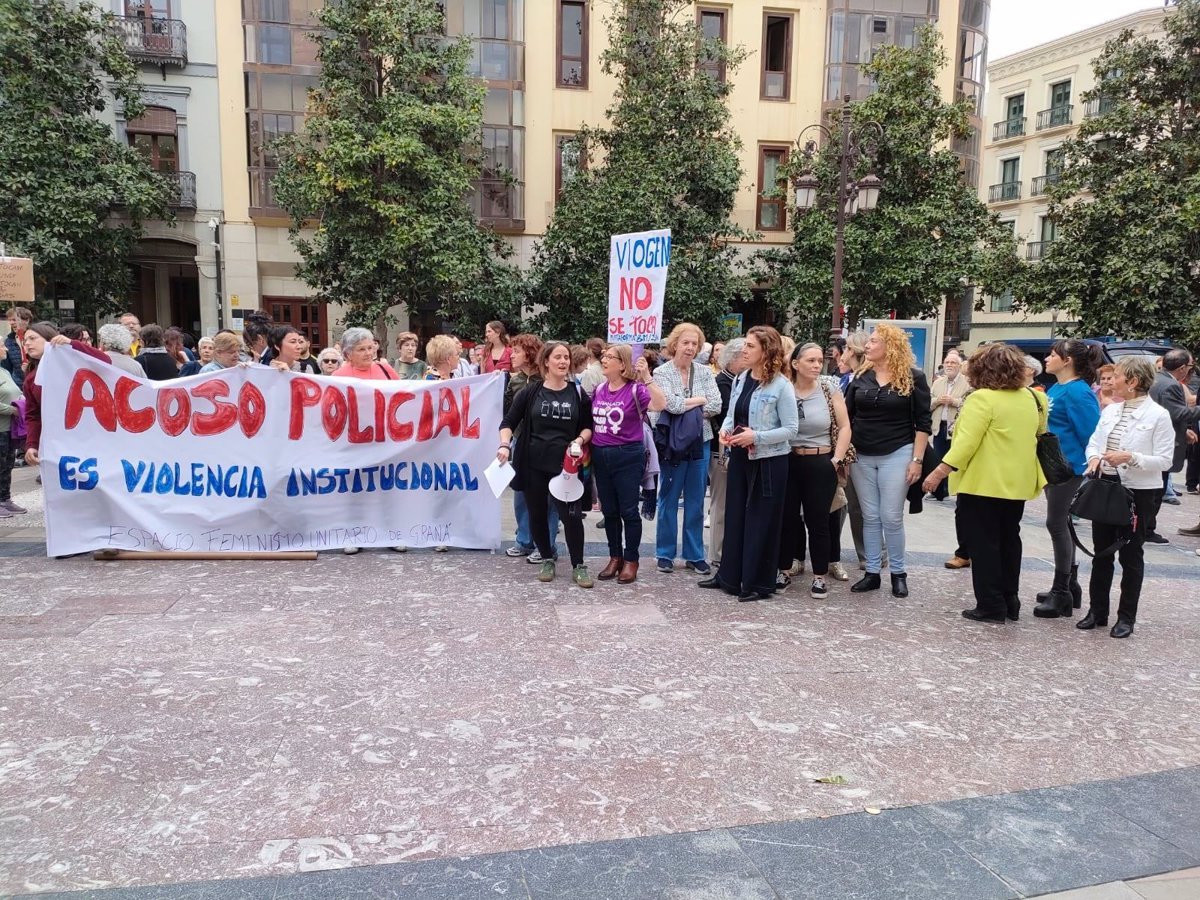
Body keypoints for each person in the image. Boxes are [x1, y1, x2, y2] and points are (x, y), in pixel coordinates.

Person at [922, 344, 1048, 624]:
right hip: (1018, 481)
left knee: (983, 545)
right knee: (1008, 541)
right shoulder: (1032, 398)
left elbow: (965, 445)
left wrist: (938, 473)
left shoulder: (982, 399)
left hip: (983, 483)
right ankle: (1009, 601)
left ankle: (990, 605)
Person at [699, 326, 798, 601]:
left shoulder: (781, 385)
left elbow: (791, 429)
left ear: (767, 351)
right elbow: (732, 412)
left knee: (760, 520)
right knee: (735, 516)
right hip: (741, 457)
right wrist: (725, 430)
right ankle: (729, 577)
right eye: (746, 345)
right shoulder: (742, 378)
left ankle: (756, 584)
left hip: (768, 462)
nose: (745, 349)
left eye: (751, 346)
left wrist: (758, 436)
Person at [1079, 356, 1174, 638]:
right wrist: (1095, 458)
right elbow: (1095, 442)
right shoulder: (1111, 411)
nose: (1110, 380)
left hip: (1138, 493)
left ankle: (1126, 617)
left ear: (1132, 382)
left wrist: (1131, 457)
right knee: (1101, 552)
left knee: (1131, 555)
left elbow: (1165, 460)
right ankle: (1097, 611)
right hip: (1106, 486)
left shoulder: (1158, 415)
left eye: (1118, 376)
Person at [845, 323, 932, 598]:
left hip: (898, 451)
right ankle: (872, 573)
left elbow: (923, 423)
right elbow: (846, 419)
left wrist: (917, 460)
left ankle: (898, 573)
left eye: (873, 341)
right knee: (869, 516)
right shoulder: (860, 377)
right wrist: (843, 456)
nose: (867, 346)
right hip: (861, 454)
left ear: (889, 346)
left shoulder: (914, 378)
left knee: (891, 516)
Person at [498, 342, 594, 588]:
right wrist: (504, 445)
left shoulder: (578, 393)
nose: (563, 362)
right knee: (537, 515)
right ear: (546, 362)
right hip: (533, 464)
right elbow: (508, 421)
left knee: (571, 516)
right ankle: (547, 558)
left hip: (566, 467)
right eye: (558, 357)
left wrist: (579, 440)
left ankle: (579, 565)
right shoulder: (530, 392)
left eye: (566, 357)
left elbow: (587, 426)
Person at [1032, 339, 1103, 619]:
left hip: (1070, 468)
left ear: (1068, 360)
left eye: (1052, 355)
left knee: (1057, 524)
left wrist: (1088, 468)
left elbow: (1091, 434)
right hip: (1055, 466)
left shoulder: (1078, 392)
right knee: (1062, 526)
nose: (1047, 359)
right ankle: (1069, 585)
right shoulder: (1058, 387)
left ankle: (1061, 589)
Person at [777, 343, 852, 600]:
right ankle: (783, 570)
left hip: (820, 461)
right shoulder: (783, 387)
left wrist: (837, 459)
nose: (817, 365)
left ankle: (819, 576)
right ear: (795, 363)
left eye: (820, 360)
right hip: (788, 459)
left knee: (818, 521)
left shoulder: (828, 387)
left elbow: (844, 427)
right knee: (787, 519)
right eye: (810, 360)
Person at [591, 344, 667, 584]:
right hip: (601, 455)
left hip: (628, 455)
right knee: (609, 511)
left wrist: (646, 378)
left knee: (628, 511)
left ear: (623, 364)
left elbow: (660, 404)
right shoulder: (599, 389)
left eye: (609, 357)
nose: (604, 359)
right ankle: (615, 556)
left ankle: (631, 559)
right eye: (603, 356)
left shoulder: (636, 390)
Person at [652, 322, 723, 575]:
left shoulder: (704, 372)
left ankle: (694, 554)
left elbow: (716, 404)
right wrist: (697, 402)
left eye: (695, 343)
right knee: (668, 498)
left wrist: (685, 405)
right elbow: (667, 404)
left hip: (700, 442)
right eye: (686, 342)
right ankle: (665, 553)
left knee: (695, 500)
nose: (690, 348)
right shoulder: (661, 373)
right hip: (672, 442)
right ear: (675, 344)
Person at [503, 333, 561, 562]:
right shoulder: (514, 380)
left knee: (548, 497)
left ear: (528, 354)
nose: (511, 355)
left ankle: (546, 545)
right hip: (520, 442)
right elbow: (508, 413)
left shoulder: (546, 380)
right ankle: (524, 540)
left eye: (516, 351)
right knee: (520, 494)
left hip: (545, 443)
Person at [22, 323, 111, 467]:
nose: (27, 343)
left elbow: (106, 361)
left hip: (91, 436)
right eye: (25, 341)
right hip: (57, 443)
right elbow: (33, 415)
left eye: (32, 338)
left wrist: (72, 343)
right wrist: (32, 444)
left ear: (50, 339)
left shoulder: (73, 363)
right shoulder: (31, 378)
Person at [1148, 350, 1200, 539]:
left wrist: (1183, 430)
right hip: (1161, 445)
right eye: (1190, 366)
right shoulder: (1171, 385)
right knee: (1156, 490)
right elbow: (1178, 413)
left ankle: (1146, 527)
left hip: (1156, 441)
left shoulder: (1157, 379)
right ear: (1182, 368)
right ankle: (1147, 529)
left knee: (1155, 489)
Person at [709, 338, 746, 566]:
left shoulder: (741, 381)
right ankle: (718, 555)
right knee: (721, 506)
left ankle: (730, 552)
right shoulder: (723, 382)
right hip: (722, 452)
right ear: (734, 358)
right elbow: (725, 418)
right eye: (745, 354)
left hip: (737, 451)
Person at [928, 350, 970, 501]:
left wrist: (954, 401)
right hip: (939, 426)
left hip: (957, 427)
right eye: (947, 362)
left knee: (955, 460)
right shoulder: (938, 382)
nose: (949, 365)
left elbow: (969, 403)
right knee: (939, 458)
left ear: (959, 365)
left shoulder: (967, 383)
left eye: (953, 363)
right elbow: (929, 403)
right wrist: (938, 400)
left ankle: (955, 490)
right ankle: (939, 491)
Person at [0, 365, 23, 518]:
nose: (6, 349)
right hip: (1, 427)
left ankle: (5, 498)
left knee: (8, 465)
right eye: (2, 346)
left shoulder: (4, 371)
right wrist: (11, 410)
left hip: (10, 428)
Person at [3, 306, 33, 390]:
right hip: (18, 385)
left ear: (26, 320)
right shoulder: (8, 342)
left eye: (14, 319)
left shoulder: (38, 339)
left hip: (35, 383)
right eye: (9, 320)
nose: (11, 323)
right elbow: (6, 367)